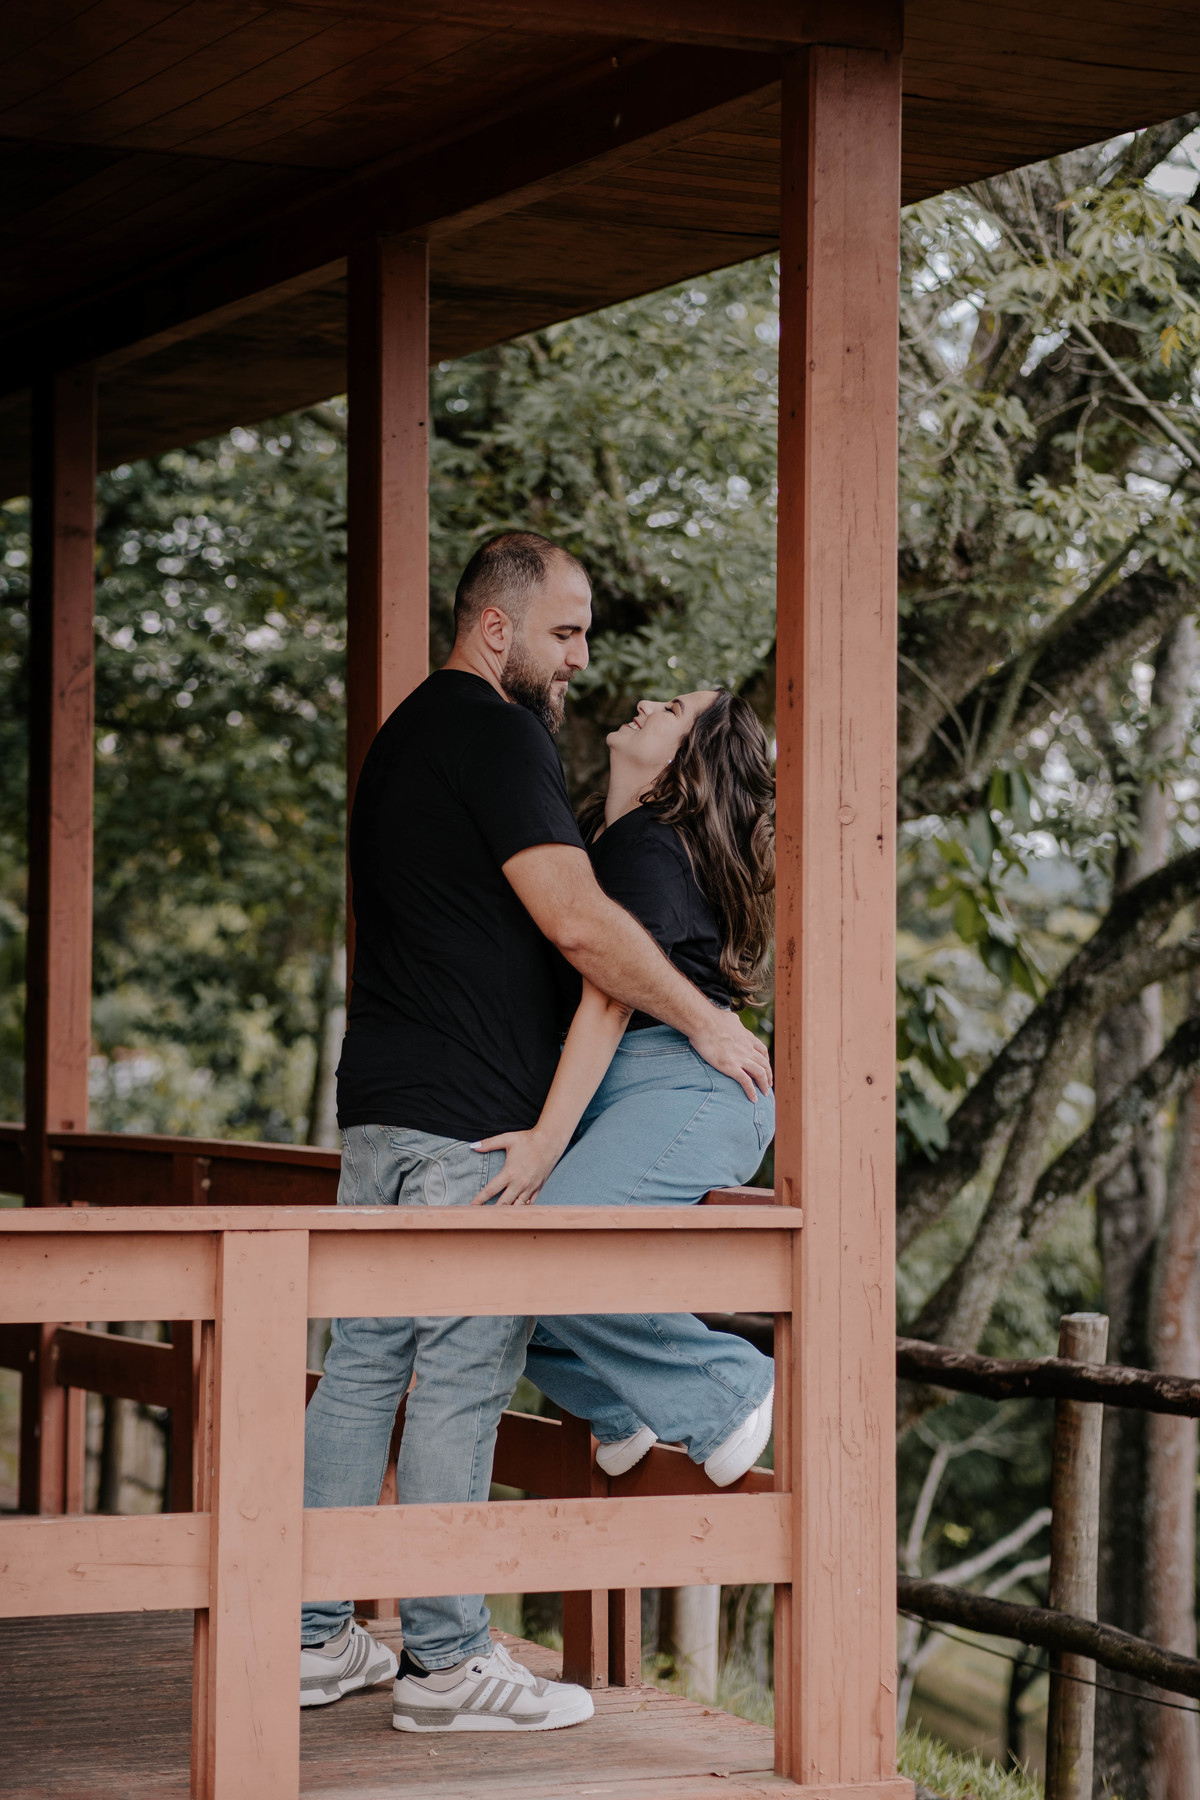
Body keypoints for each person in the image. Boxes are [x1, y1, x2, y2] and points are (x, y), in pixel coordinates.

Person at [300, 531, 772, 1734]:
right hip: (471, 1122)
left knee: (363, 1366)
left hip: (383, 1101)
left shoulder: (402, 740)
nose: (579, 663)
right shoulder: (495, 728)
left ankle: (308, 1637)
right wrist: (705, 1019)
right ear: (497, 629)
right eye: (565, 634)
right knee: (458, 1375)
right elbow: (578, 925)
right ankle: (449, 1665)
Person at [470, 687, 776, 1485]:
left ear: (690, 759)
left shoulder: (647, 837)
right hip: (627, 1092)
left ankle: (726, 1387)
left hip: (683, 1085)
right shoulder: (602, 842)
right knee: (496, 1278)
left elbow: (608, 995)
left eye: (673, 708)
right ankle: (620, 1405)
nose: (645, 702)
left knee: (553, 1243)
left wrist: (544, 1143)